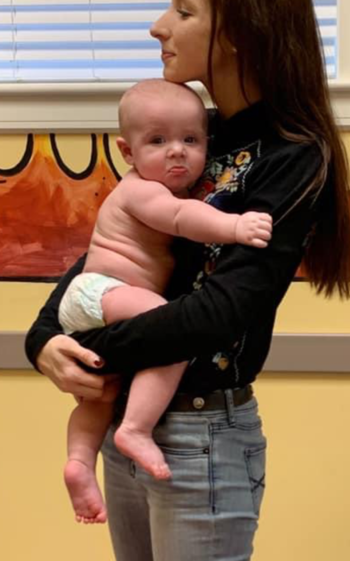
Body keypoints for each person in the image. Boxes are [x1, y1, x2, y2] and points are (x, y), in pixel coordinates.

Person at [26, 0, 350, 561]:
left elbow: (219, 312)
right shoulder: (188, 132)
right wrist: (40, 340)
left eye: (181, 10)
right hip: (130, 436)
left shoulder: (292, 159)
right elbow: (109, 252)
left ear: (236, 32)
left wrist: (97, 349)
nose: (157, 27)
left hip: (203, 444)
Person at [59, 78, 272, 524]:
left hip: (97, 301)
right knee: (172, 332)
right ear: (127, 152)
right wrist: (236, 227)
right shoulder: (141, 190)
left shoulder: (160, 184)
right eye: (158, 141)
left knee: (101, 393)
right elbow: (179, 217)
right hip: (102, 291)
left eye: (190, 140)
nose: (177, 151)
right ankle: (135, 429)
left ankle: (79, 462)